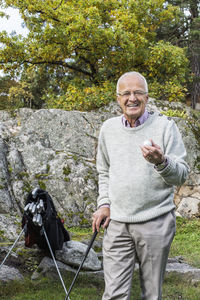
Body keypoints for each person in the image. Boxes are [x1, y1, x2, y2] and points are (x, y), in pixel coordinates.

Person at [92, 71, 190, 300]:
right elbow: (104, 172)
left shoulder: (166, 127)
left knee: (151, 295)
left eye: (138, 92)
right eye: (126, 93)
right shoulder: (109, 129)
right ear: (118, 99)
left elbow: (181, 175)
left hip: (156, 222)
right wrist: (104, 204)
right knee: (114, 294)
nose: (132, 98)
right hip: (117, 224)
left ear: (147, 97)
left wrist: (162, 162)